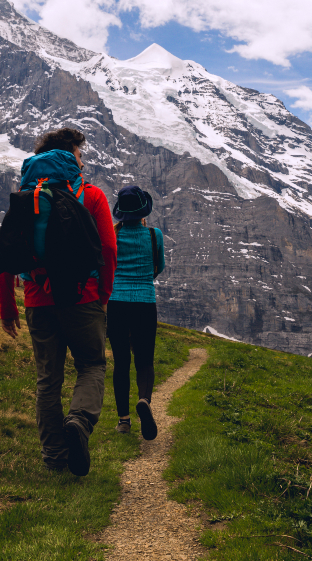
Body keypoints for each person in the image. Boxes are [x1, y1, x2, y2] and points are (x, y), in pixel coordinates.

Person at [0, 127, 117, 477]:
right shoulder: (91, 194)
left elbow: (8, 254)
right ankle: (79, 421)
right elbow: (109, 250)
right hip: (84, 298)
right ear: (70, 155)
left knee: (48, 380)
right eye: (80, 155)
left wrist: (8, 307)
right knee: (92, 365)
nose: (82, 161)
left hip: (37, 300)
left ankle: (54, 457)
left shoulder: (26, 197)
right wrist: (104, 294)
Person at [107, 185, 165, 441]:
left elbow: (106, 267)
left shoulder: (111, 236)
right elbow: (158, 267)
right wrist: (142, 279)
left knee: (121, 362)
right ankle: (144, 400)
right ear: (144, 211)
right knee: (144, 360)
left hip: (117, 303)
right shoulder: (155, 236)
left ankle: (123, 421)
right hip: (144, 302)